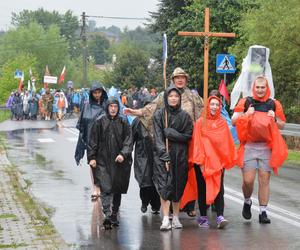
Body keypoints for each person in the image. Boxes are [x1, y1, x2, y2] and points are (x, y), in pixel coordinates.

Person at [124, 67, 204, 216]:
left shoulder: (193, 96)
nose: (180, 80)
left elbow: (203, 114)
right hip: (170, 142)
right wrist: (136, 112)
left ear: (186, 80)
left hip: (189, 139)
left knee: (189, 172)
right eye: (177, 77)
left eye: (183, 77)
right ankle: (172, 207)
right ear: (173, 80)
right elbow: (151, 108)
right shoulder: (164, 95)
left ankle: (190, 204)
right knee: (171, 174)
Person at [232, 76, 288, 224]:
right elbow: (233, 120)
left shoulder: (274, 104)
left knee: (264, 179)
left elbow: (282, 125)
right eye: (258, 87)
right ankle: (247, 200)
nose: (260, 90)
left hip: (266, 147)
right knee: (248, 180)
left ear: (267, 88)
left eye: (263, 87)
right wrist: (246, 114)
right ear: (253, 88)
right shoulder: (246, 102)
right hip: (249, 146)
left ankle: (263, 212)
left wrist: (275, 118)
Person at [184, 96, 236, 229]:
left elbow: (226, 144)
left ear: (220, 107)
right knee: (202, 189)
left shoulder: (223, 123)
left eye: (217, 105)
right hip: (201, 162)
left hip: (218, 163)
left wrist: (223, 161)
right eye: (211, 104)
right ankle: (203, 217)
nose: (214, 107)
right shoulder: (200, 122)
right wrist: (200, 163)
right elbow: (196, 143)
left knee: (219, 189)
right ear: (207, 106)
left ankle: (220, 216)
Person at [87, 97, 133, 230]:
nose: (113, 109)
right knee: (105, 187)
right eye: (111, 106)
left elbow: (128, 141)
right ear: (107, 107)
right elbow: (93, 141)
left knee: (117, 188)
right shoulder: (99, 122)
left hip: (119, 160)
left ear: (118, 108)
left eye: (115, 106)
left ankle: (114, 213)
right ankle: (107, 213)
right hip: (102, 160)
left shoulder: (123, 122)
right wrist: (92, 157)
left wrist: (123, 154)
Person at [152, 86, 193, 231]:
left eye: (176, 96)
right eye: (171, 96)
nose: (173, 98)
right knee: (164, 186)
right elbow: (157, 137)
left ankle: (175, 217)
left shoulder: (185, 116)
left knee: (177, 186)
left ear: (179, 98)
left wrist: (172, 134)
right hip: (163, 156)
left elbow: (188, 136)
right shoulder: (159, 115)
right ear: (166, 98)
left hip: (180, 155)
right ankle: (165, 218)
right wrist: (165, 156)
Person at [75, 82, 108, 200]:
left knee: (104, 164)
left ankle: (103, 186)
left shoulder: (107, 105)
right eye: (95, 92)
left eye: (99, 92)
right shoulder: (87, 106)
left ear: (102, 93)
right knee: (93, 164)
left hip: (104, 140)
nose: (97, 95)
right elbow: (83, 123)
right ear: (91, 93)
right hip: (90, 140)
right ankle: (95, 187)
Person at [132, 96, 161, 214]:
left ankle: (155, 204)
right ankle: (144, 201)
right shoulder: (137, 121)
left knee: (156, 182)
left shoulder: (159, 120)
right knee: (144, 182)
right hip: (142, 156)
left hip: (156, 155)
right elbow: (130, 139)